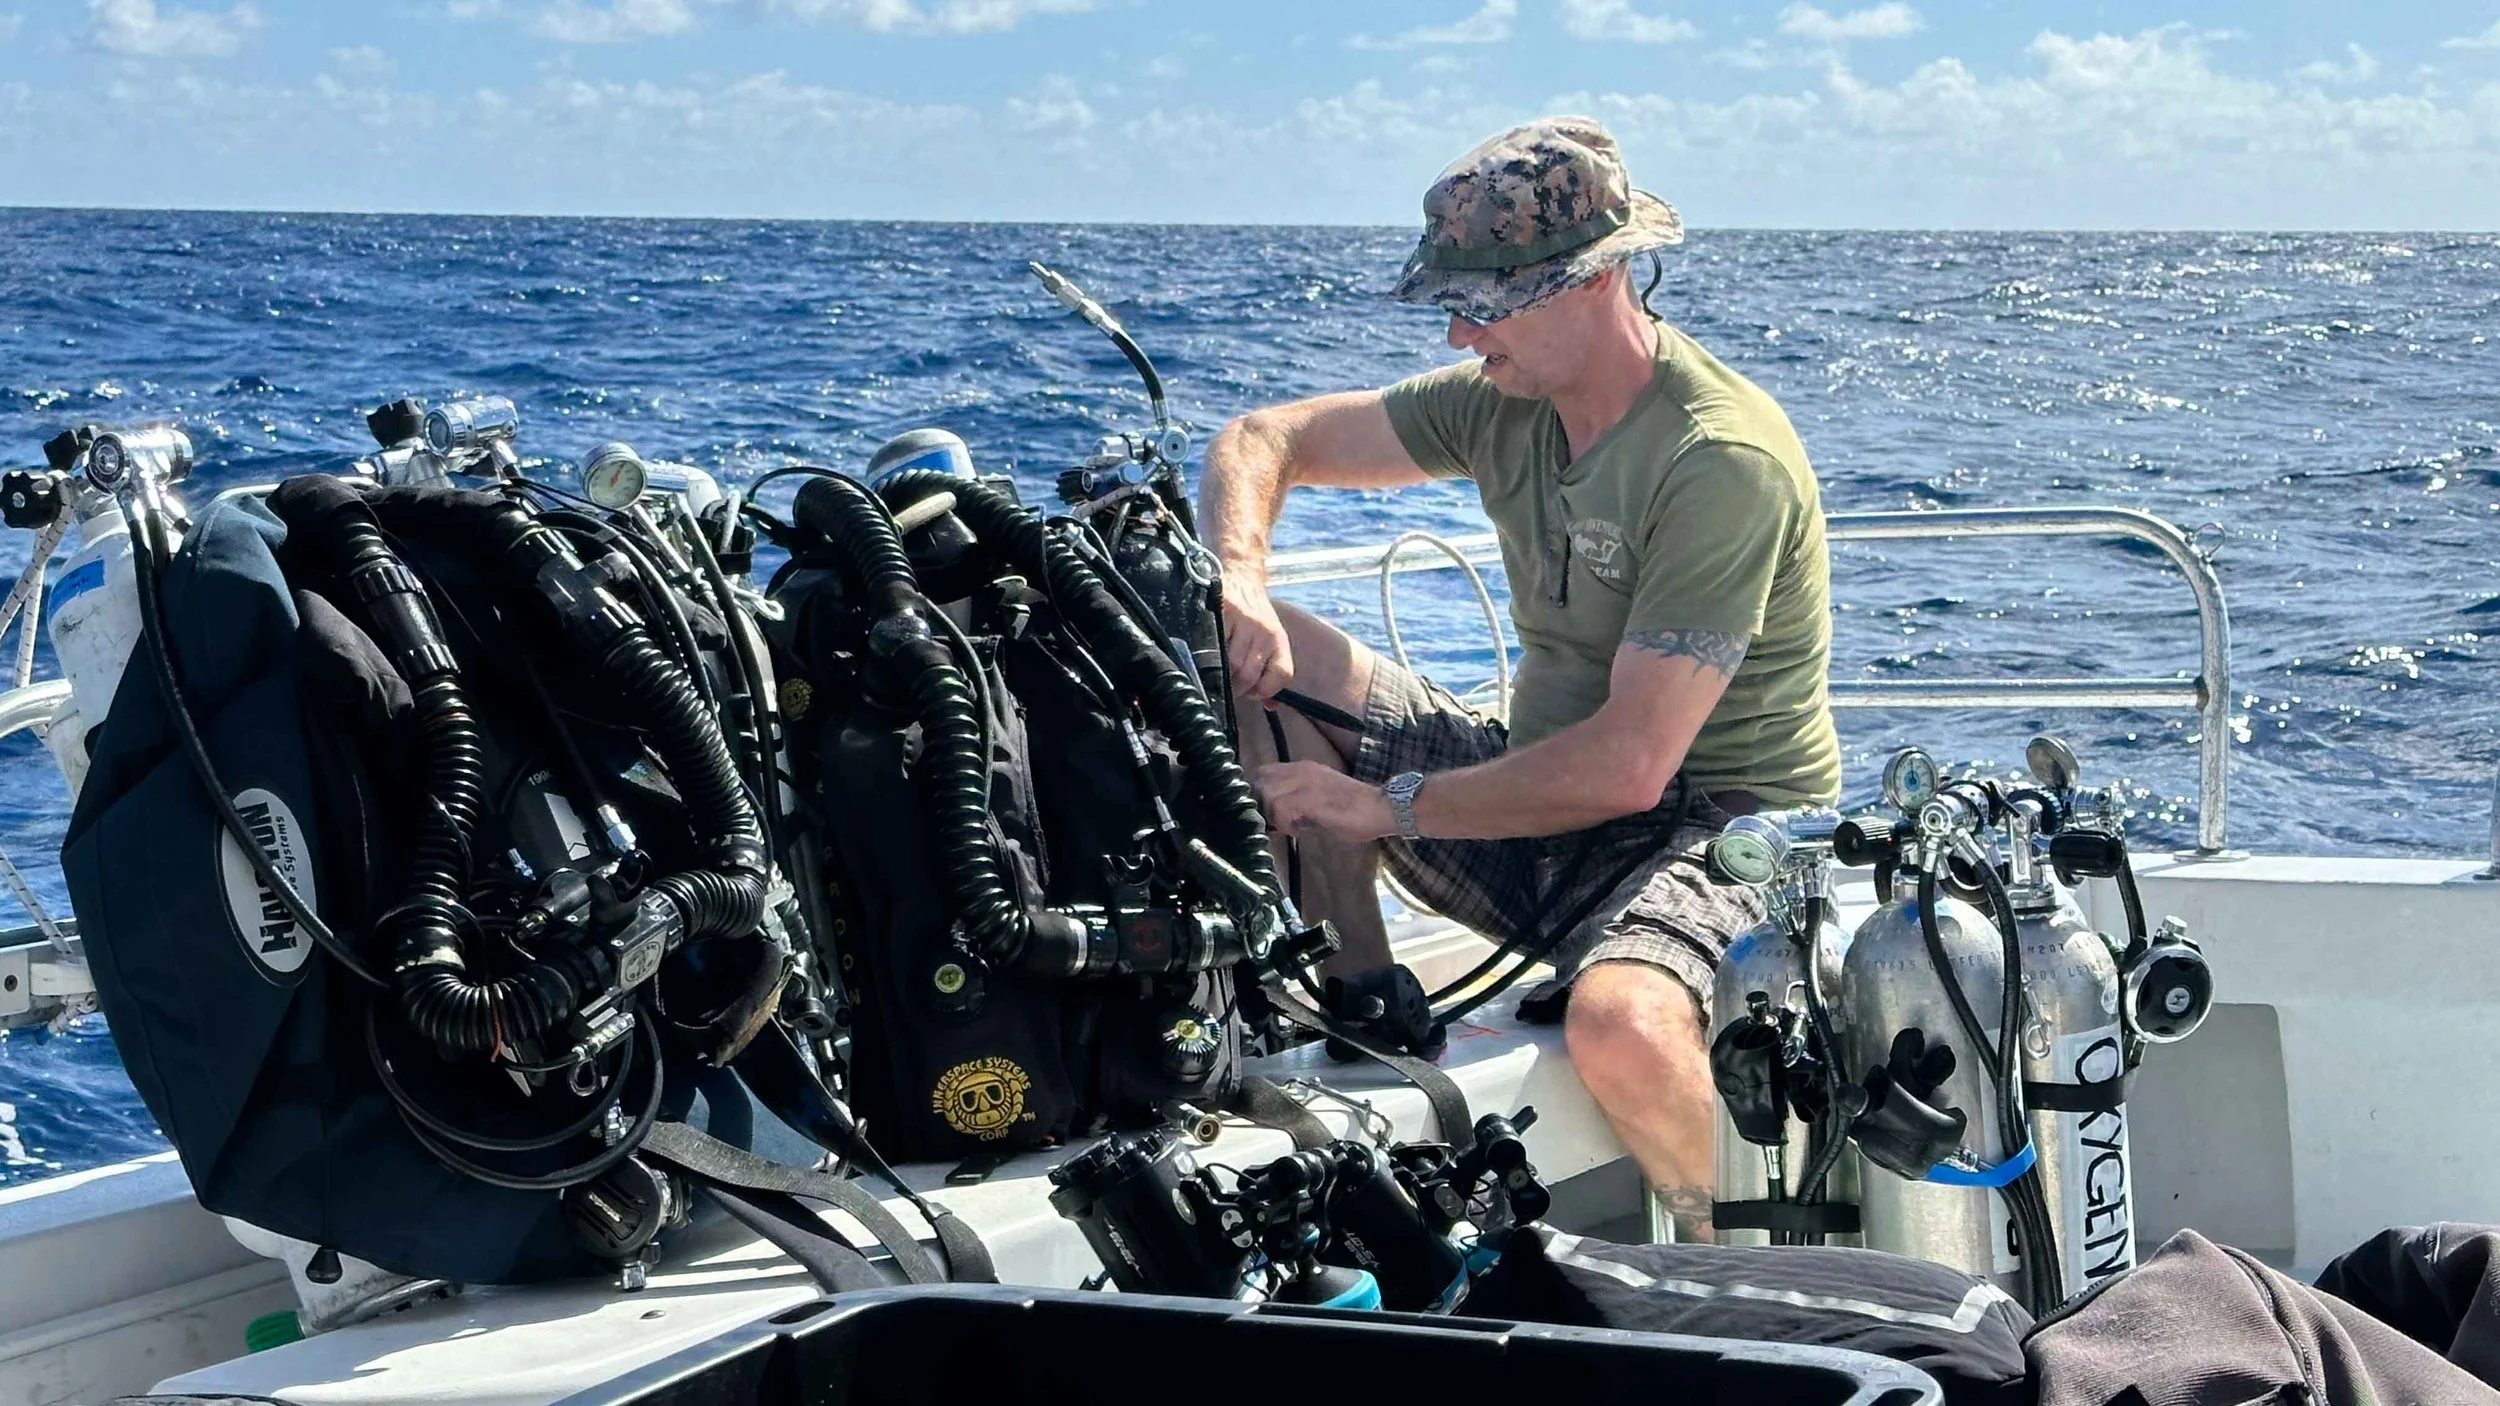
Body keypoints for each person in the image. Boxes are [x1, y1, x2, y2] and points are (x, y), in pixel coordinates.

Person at [1197, 115, 1840, 1240]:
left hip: (1715, 828)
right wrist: (1240, 580)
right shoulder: (1500, 399)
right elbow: (1265, 436)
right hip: (1536, 807)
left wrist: (1383, 805)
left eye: (1481, 302)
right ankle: (1362, 998)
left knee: (1621, 1024)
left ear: (1590, 282)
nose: (1456, 329)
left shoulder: (1715, 458)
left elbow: (1631, 766)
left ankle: (1752, 1269)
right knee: (1264, 652)